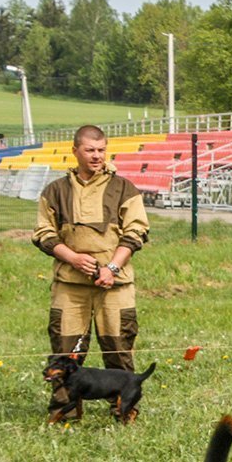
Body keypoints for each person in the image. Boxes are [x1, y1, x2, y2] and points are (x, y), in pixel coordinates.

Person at [32, 125, 149, 418]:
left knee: (119, 347)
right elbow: (43, 233)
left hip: (116, 286)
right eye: (89, 150)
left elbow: (137, 232)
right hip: (70, 287)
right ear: (75, 151)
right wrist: (72, 257)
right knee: (65, 349)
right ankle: (66, 412)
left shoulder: (124, 188)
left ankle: (123, 411)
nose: (96, 156)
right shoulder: (55, 190)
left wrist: (112, 267)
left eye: (101, 150)